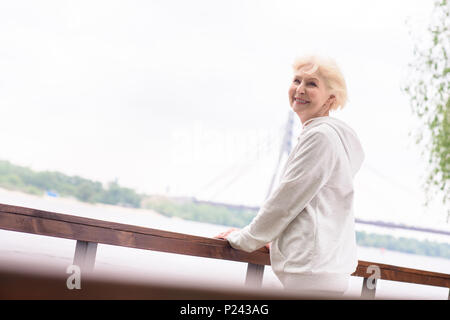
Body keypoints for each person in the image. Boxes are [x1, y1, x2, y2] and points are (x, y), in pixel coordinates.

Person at [214, 54, 365, 296]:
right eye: (297, 80)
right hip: (326, 272)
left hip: (310, 275)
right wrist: (277, 241)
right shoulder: (334, 139)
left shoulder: (320, 137)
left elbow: (285, 202)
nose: (300, 90)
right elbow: (316, 205)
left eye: (312, 83)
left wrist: (245, 239)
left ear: (331, 99)